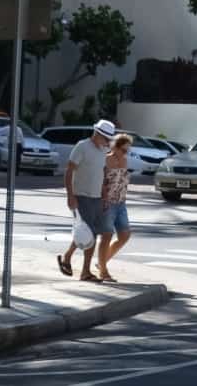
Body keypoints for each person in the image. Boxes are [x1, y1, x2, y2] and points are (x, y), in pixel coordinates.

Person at [58, 119, 116, 281]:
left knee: (91, 232)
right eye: (106, 138)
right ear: (97, 134)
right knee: (89, 234)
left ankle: (67, 257)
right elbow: (69, 171)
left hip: (97, 197)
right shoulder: (82, 146)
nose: (107, 142)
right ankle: (85, 272)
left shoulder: (103, 151)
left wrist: (105, 196)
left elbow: (103, 173)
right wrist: (70, 196)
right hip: (82, 196)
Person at [95, 133, 135, 282]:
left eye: (127, 150)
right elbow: (101, 181)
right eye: (123, 150)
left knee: (125, 235)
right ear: (115, 147)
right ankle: (103, 271)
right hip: (107, 202)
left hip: (121, 203)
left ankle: (101, 262)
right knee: (106, 236)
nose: (126, 153)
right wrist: (103, 199)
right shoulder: (106, 160)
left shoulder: (124, 161)